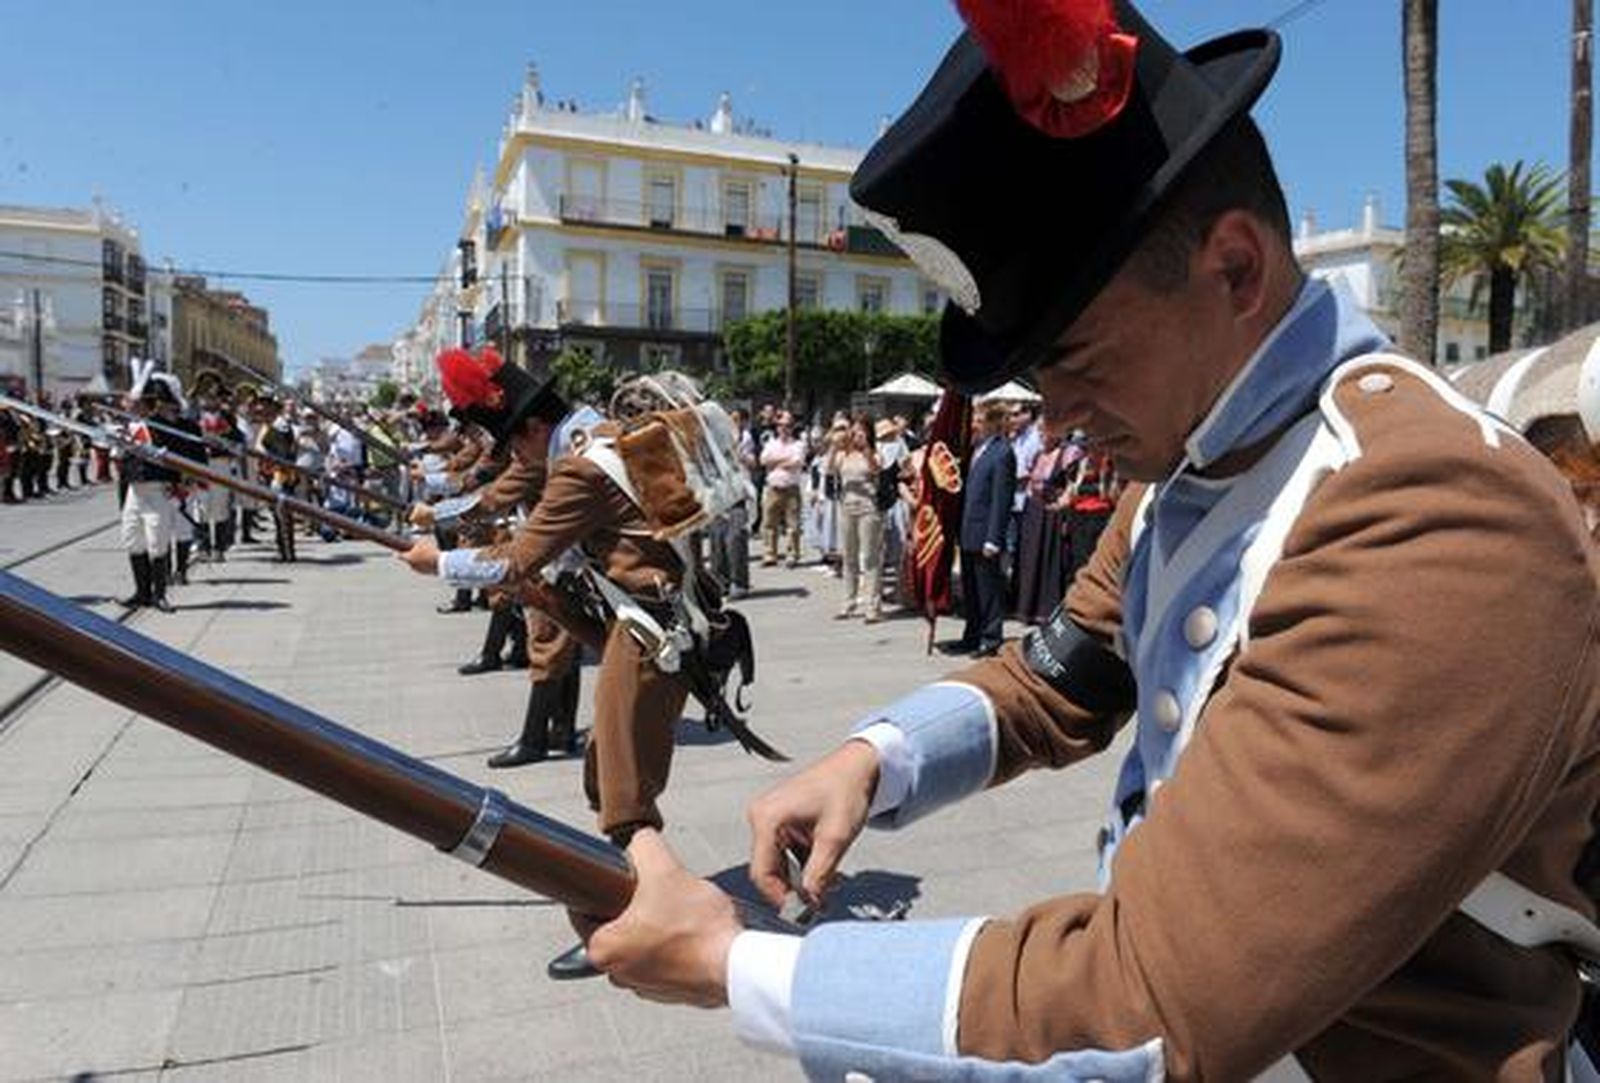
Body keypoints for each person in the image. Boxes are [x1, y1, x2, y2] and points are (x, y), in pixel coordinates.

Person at [575, 3, 1600, 1079]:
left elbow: (1152, 1002)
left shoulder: (1428, 516)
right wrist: (877, 758)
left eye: (1079, 361)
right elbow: (1059, 675)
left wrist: (744, 971)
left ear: (1235, 269)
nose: (1055, 416)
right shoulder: (1199, 458)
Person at [940, 399, 1015, 657]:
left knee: (988, 589)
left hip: (985, 533)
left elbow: (1001, 499)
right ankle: (971, 635)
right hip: (969, 530)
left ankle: (991, 637)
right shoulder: (977, 449)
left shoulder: (1003, 452)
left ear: (993, 423)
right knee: (970, 589)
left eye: (980, 420)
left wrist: (994, 537)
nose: (975, 424)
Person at [829, 414, 887, 622]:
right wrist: (835, 446)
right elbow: (829, 470)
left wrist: (866, 450)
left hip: (868, 509)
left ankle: (873, 606)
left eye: (860, 430)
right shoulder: (843, 455)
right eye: (853, 431)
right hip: (847, 507)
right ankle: (848, 602)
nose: (855, 434)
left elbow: (876, 469)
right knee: (849, 557)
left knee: (870, 557)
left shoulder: (873, 453)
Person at [758, 410, 805, 567]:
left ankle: (792, 554)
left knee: (793, 525)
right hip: (773, 487)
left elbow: (797, 462)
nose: (785, 429)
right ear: (777, 427)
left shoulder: (798, 444)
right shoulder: (771, 443)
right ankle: (770, 554)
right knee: (769, 523)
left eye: (788, 426)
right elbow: (763, 460)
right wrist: (785, 461)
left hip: (791, 488)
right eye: (782, 425)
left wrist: (775, 463)